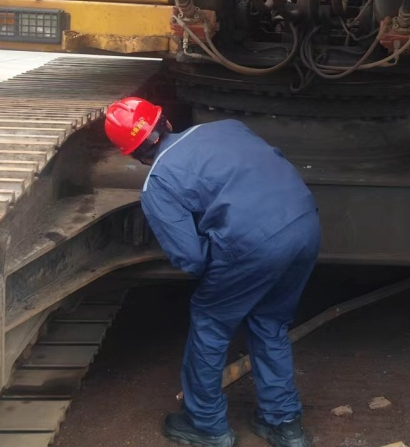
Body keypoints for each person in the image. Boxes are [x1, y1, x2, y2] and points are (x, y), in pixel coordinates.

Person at [104, 97, 320, 447]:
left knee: (211, 322)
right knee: (270, 322)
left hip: (254, 245)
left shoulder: (158, 184)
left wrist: (224, 253)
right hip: (304, 223)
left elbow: (190, 258)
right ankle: (285, 426)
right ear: (166, 122)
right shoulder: (226, 127)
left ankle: (206, 426)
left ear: (131, 154)